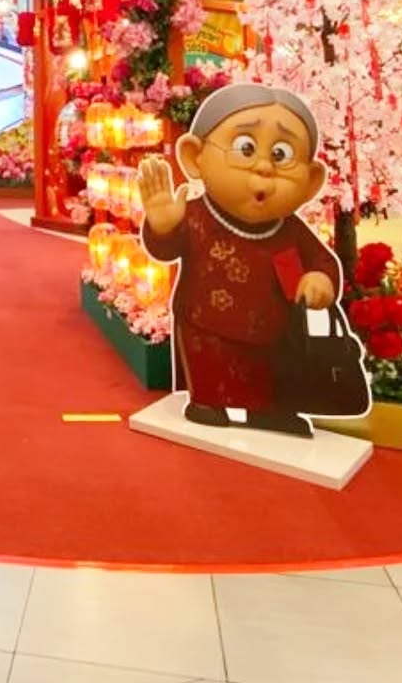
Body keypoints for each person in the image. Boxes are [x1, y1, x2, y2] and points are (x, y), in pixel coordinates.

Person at [137, 83, 355, 439]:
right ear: (196, 157)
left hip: (275, 331)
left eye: (282, 155)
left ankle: (272, 410)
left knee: (272, 375)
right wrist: (162, 224)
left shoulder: (290, 229)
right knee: (211, 369)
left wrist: (320, 280)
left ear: (311, 181)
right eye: (246, 148)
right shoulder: (195, 214)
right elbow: (165, 250)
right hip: (205, 325)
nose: (265, 167)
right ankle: (207, 402)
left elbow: (322, 261)